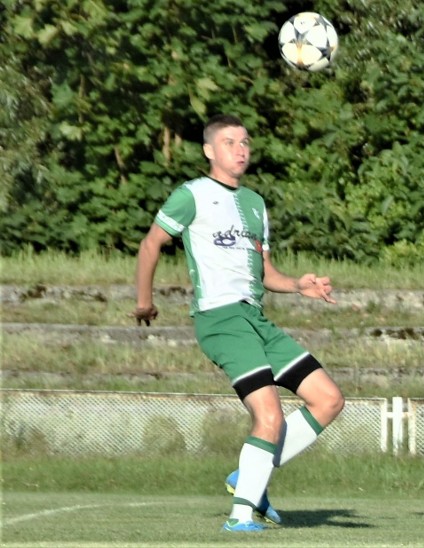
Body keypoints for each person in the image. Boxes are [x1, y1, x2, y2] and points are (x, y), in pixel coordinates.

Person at [131, 114, 345, 532]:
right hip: (221, 318)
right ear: (210, 151)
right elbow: (151, 243)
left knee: (328, 399)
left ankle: (249, 476)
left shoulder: (254, 203)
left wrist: (299, 285)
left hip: (254, 318)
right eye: (230, 142)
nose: (241, 149)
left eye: (245, 141)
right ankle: (241, 516)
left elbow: (265, 273)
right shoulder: (191, 195)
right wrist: (144, 302)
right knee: (270, 415)